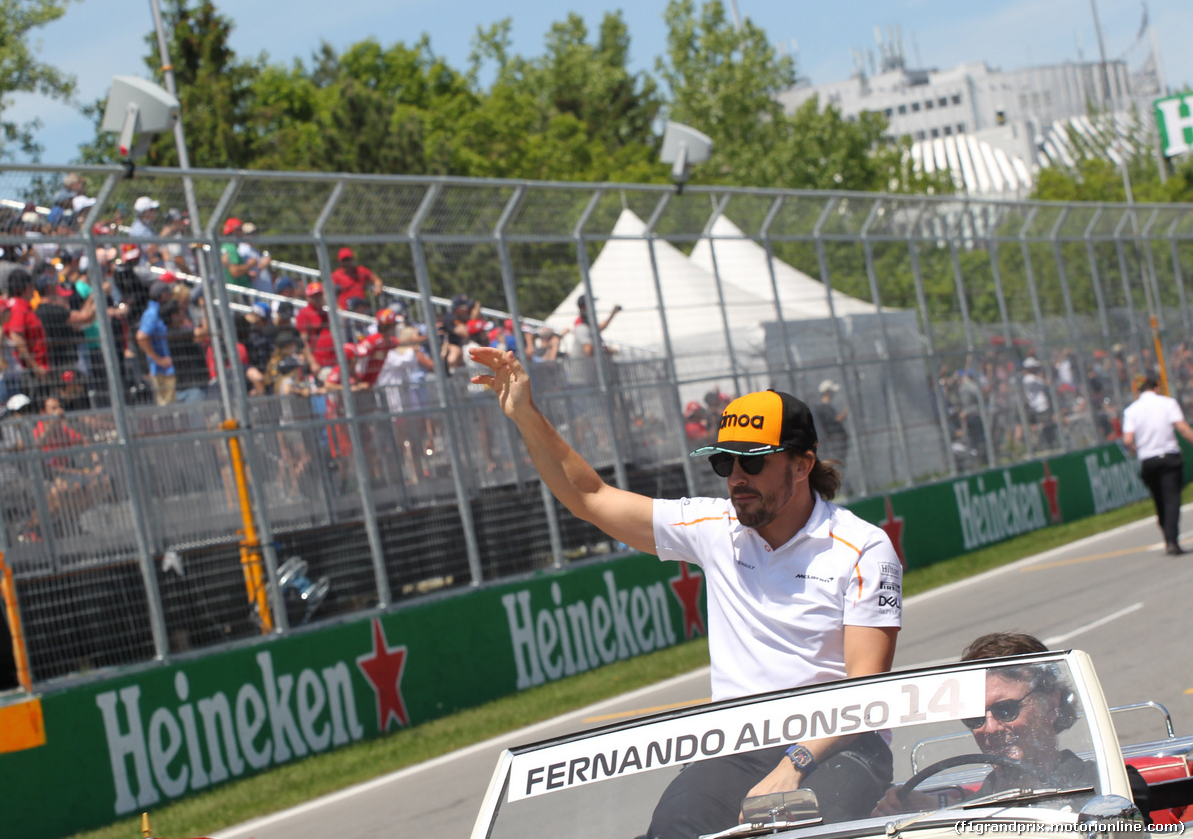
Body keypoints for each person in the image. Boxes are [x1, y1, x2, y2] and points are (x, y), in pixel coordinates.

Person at [469, 346, 902, 837]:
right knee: (673, 828)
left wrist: (794, 764)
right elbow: (590, 497)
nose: (737, 478)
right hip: (739, 744)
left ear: (802, 466)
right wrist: (525, 414)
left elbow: (864, 690)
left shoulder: (863, 547)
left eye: (753, 463)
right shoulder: (713, 526)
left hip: (840, 744)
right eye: (725, 463)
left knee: (794, 830)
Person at [874, 633, 1148, 818]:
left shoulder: (1111, 785)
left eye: (1006, 710)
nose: (989, 728)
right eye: (974, 718)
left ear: (1051, 705)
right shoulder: (977, 803)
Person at [1122, 375, 1193, 555]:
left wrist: (1137, 451)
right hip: (1169, 456)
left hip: (1148, 460)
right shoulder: (1168, 403)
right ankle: (1172, 540)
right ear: (1156, 388)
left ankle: (1167, 536)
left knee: (1159, 500)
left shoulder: (1131, 410)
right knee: (1172, 499)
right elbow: (1183, 428)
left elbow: (1128, 440)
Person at [814, 380, 849, 473]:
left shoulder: (826, 407)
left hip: (835, 439)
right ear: (827, 392)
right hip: (836, 439)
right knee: (839, 463)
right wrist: (846, 410)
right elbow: (838, 419)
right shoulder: (824, 408)